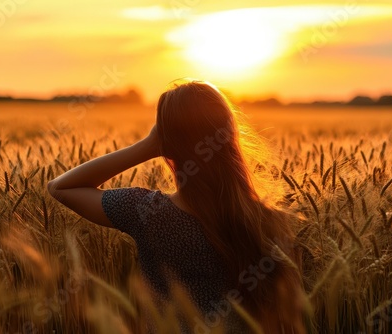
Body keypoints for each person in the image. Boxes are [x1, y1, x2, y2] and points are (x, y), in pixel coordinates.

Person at [48, 79, 305, 333]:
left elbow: (61, 187)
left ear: (168, 142)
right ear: (230, 135)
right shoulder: (269, 220)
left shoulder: (148, 212)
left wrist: (147, 146)